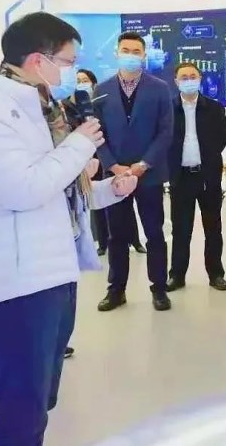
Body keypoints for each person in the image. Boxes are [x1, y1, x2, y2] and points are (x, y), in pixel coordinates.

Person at [0, 12, 138, 446]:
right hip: (15, 284)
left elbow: (57, 192)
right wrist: (81, 145)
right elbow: (24, 190)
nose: (71, 73)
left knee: (41, 401)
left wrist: (108, 190)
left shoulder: (43, 109)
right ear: (38, 61)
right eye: (67, 62)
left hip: (52, 274)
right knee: (22, 413)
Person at [94, 31, 174, 312]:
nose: (130, 55)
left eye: (136, 51)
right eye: (125, 50)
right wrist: (113, 166)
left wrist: (143, 165)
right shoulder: (101, 90)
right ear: (117, 53)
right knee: (116, 235)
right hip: (115, 176)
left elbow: (166, 131)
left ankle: (159, 288)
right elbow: (97, 133)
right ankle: (116, 290)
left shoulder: (159, 88)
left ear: (144, 55)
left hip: (148, 173)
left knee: (154, 233)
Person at [165, 63, 226, 293]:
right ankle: (177, 275)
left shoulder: (214, 108)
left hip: (207, 176)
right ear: (176, 81)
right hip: (181, 177)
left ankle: (216, 274)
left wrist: (208, 159)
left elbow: (222, 138)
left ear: (200, 78)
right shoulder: (168, 109)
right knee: (181, 230)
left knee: (213, 227)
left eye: (193, 76)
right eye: (184, 77)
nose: (189, 80)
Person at [72, 69, 145, 257]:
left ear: (93, 82)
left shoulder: (102, 102)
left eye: (85, 80)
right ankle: (102, 242)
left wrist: (110, 161)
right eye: (78, 81)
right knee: (96, 204)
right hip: (84, 161)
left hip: (106, 158)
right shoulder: (71, 106)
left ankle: (135, 240)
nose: (82, 84)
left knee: (121, 199)